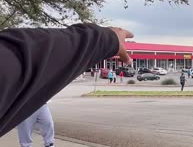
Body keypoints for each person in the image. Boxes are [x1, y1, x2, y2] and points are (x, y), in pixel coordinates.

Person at [0, 23, 133, 138]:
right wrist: (103, 39)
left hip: (40, 105)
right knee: (27, 127)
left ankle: (48, 144)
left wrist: (103, 39)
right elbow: (13, 62)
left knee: (47, 124)